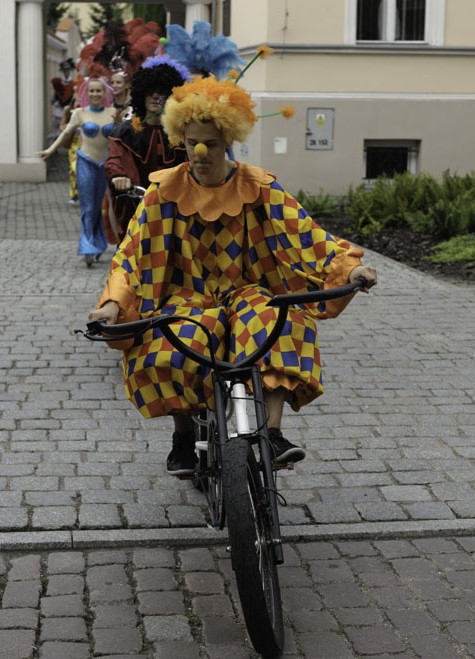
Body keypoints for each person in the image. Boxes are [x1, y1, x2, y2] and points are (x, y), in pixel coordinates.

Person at [88, 77, 378, 476]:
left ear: (229, 141)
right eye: (191, 143)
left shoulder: (258, 187)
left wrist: (350, 266)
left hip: (248, 291)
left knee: (280, 322)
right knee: (170, 345)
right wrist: (111, 304)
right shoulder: (163, 191)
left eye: (211, 143)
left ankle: (272, 434)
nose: (200, 153)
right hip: (187, 297)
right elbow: (132, 256)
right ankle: (184, 435)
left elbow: (307, 234)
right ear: (182, 141)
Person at [104, 56, 190, 244]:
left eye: (161, 92)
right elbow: (114, 159)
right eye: (150, 91)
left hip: (176, 206)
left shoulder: (182, 132)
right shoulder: (127, 132)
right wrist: (118, 176)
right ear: (141, 95)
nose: (154, 97)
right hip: (139, 203)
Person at [39, 77, 114, 266]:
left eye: (98, 91)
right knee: (87, 206)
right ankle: (87, 246)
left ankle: (98, 243)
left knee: (98, 207)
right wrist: (50, 150)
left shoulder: (113, 113)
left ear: (104, 93)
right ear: (86, 93)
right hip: (86, 162)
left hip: (104, 163)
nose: (95, 94)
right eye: (92, 91)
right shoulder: (79, 113)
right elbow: (65, 133)